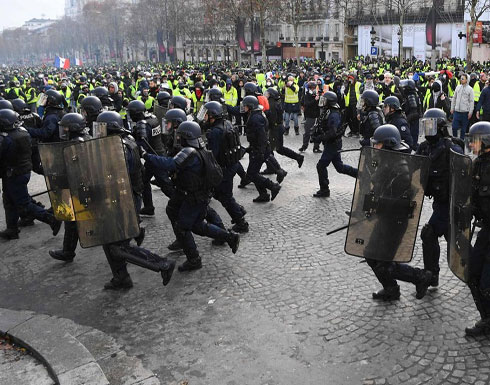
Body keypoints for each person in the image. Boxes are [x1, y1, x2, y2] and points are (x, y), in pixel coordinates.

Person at [142, 121, 240, 272]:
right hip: (198, 196)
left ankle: (194, 259)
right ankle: (229, 237)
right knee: (197, 225)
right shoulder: (200, 149)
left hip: (194, 197)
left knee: (183, 227)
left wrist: (145, 156)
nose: (178, 138)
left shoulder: (189, 152)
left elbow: (170, 164)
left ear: (186, 136)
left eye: (180, 136)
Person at [96, 111, 175, 289]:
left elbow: (117, 175)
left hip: (125, 198)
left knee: (118, 246)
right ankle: (121, 277)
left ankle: (163, 264)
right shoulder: (122, 141)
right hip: (125, 197)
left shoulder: (120, 147)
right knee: (108, 241)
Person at [363, 124, 433, 301]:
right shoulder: (387, 160)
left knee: (385, 265)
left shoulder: (401, 170)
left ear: (387, 144)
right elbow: (378, 186)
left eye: (378, 144)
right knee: (371, 254)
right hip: (385, 218)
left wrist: (377, 204)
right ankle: (391, 289)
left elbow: (400, 204)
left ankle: (421, 277)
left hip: (396, 222)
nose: (375, 147)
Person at [416, 108, 463, 287]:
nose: (428, 130)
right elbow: (412, 167)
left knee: (429, 234)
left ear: (440, 128)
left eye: (431, 126)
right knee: (456, 239)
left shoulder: (451, 148)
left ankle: (431, 275)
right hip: (438, 202)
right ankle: (476, 269)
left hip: (451, 203)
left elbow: (464, 174)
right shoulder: (424, 147)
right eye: (425, 126)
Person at [0, 109, 62, 240]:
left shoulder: (6, 139)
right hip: (22, 171)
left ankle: (50, 218)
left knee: (23, 203)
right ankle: (12, 229)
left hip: (13, 173)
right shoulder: (23, 132)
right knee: (9, 200)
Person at [48, 113, 91, 262]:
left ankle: (67, 252)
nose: (63, 130)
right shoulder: (86, 138)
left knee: (72, 221)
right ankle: (67, 251)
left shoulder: (74, 144)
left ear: (72, 128)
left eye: (65, 127)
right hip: (84, 186)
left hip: (78, 187)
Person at [202, 101, 249, 233]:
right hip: (231, 165)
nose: (204, 117)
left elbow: (213, 154)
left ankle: (241, 222)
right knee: (222, 194)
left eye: (206, 115)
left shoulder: (215, 131)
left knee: (224, 196)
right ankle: (238, 210)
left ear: (212, 115)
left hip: (224, 168)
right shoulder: (227, 123)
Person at [465, 121, 490, 336]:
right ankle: (487, 319)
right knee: (472, 275)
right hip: (486, 229)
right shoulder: (479, 163)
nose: (471, 145)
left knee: (485, 282)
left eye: (474, 141)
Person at [311, 91, 358, 197]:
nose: (323, 102)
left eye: (325, 100)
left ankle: (324, 190)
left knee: (321, 166)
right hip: (331, 143)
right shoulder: (328, 111)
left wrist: (319, 138)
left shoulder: (334, 114)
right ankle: (359, 174)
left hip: (333, 144)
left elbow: (332, 132)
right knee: (339, 167)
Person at [127, 100, 165, 216]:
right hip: (158, 154)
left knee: (166, 185)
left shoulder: (142, 124)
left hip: (154, 158)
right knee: (144, 180)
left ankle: (181, 205)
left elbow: (142, 143)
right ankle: (149, 207)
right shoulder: (152, 118)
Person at [241, 95, 281, 203]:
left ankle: (273, 186)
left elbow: (261, 136)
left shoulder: (255, 118)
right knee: (254, 172)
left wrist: (260, 151)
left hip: (258, 149)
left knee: (252, 174)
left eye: (245, 106)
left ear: (250, 106)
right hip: (257, 147)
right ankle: (263, 194)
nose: (243, 108)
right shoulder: (256, 114)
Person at [450, 73, 474, 140]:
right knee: (454, 127)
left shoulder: (470, 89)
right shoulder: (458, 87)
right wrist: (452, 108)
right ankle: (454, 140)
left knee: (463, 130)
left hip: (465, 112)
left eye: (463, 79)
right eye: (461, 78)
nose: (461, 80)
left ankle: (461, 142)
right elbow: (454, 98)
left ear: (467, 80)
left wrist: (470, 112)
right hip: (457, 111)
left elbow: (471, 101)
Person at [299, 81, 321, 153]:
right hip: (309, 116)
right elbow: (307, 104)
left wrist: (319, 98)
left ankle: (316, 147)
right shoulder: (307, 96)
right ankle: (304, 146)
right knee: (307, 132)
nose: (314, 89)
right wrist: (314, 100)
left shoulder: (317, 95)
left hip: (317, 115)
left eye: (314, 88)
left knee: (317, 132)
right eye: (312, 88)